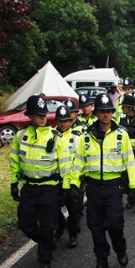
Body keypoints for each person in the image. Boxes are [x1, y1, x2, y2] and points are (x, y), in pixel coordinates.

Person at [71, 93, 135, 268]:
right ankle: (102, 261)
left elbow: (130, 162)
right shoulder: (86, 137)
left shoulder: (121, 135)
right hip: (93, 188)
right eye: (102, 112)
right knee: (95, 227)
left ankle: (120, 249)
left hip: (113, 187)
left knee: (115, 224)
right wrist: (72, 185)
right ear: (97, 113)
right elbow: (78, 162)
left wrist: (134, 187)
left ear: (112, 112)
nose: (106, 115)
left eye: (108, 111)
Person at [9, 95, 73, 268]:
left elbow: (66, 164)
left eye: (44, 114)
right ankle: (47, 243)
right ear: (30, 116)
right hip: (29, 187)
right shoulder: (21, 136)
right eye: (38, 114)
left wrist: (66, 188)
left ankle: (45, 259)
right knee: (25, 223)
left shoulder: (56, 137)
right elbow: (14, 160)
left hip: (49, 187)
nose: (43, 117)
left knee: (47, 226)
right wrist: (14, 182)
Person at [53, 104, 81, 248]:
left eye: (66, 121)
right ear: (56, 121)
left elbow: (82, 159)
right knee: (52, 206)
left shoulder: (77, 138)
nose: (63, 124)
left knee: (73, 209)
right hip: (55, 180)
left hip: (72, 180)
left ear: (71, 121)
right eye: (60, 121)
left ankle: (73, 233)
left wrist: (79, 179)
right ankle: (61, 224)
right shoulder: (51, 137)